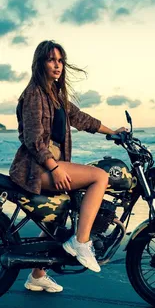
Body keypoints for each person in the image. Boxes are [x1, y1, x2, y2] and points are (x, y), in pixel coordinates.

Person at [9, 40, 127, 293]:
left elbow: (81, 118)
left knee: (59, 213)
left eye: (60, 60)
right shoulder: (34, 94)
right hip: (36, 167)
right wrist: (54, 168)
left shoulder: (55, 95)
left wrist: (113, 132)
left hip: (50, 164)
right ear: (40, 63)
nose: (57, 65)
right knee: (99, 177)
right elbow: (32, 138)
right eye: (52, 60)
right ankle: (81, 241)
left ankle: (37, 275)